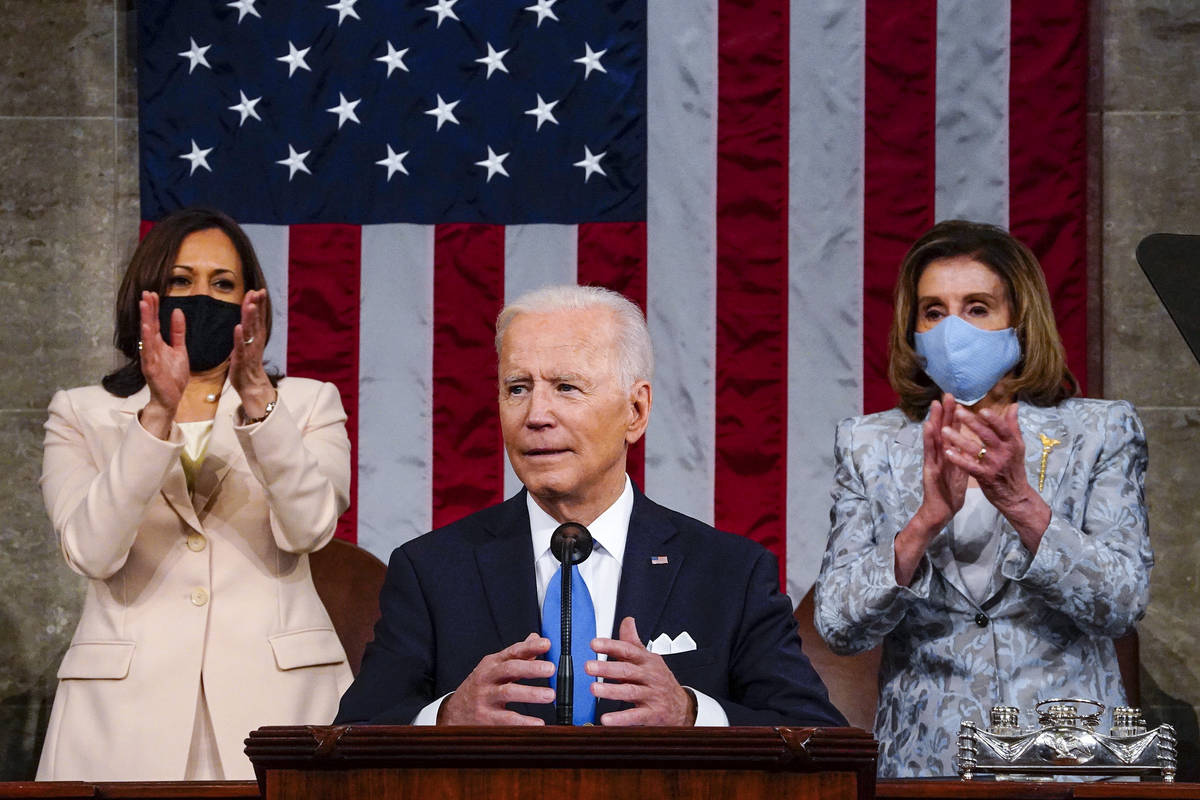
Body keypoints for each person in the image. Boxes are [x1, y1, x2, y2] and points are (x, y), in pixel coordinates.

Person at [336, 284, 845, 727]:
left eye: (566, 387)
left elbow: (815, 736)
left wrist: (690, 713)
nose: (536, 415)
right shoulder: (431, 571)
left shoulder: (729, 574)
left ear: (636, 411)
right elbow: (350, 740)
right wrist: (445, 718)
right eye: (518, 388)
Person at [813, 220, 1153, 776]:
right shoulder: (868, 444)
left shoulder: (1100, 432)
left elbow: (1120, 604)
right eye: (933, 312)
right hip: (926, 767)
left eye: (976, 308)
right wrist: (922, 524)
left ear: (1019, 321)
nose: (953, 330)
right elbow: (839, 626)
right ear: (914, 332)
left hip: (1070, 766)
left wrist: (1022, 504)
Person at [37, 207, 353, 780]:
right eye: (181, 281)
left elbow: (309, 528)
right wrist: (157, 412)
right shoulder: (81, 412)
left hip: (278, 707)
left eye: (223, 284)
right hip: (122, 716)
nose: (201, 297)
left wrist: (258, 398)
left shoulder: (308, 404)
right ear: (147, 294)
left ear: (251, 302)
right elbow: (92, 551)